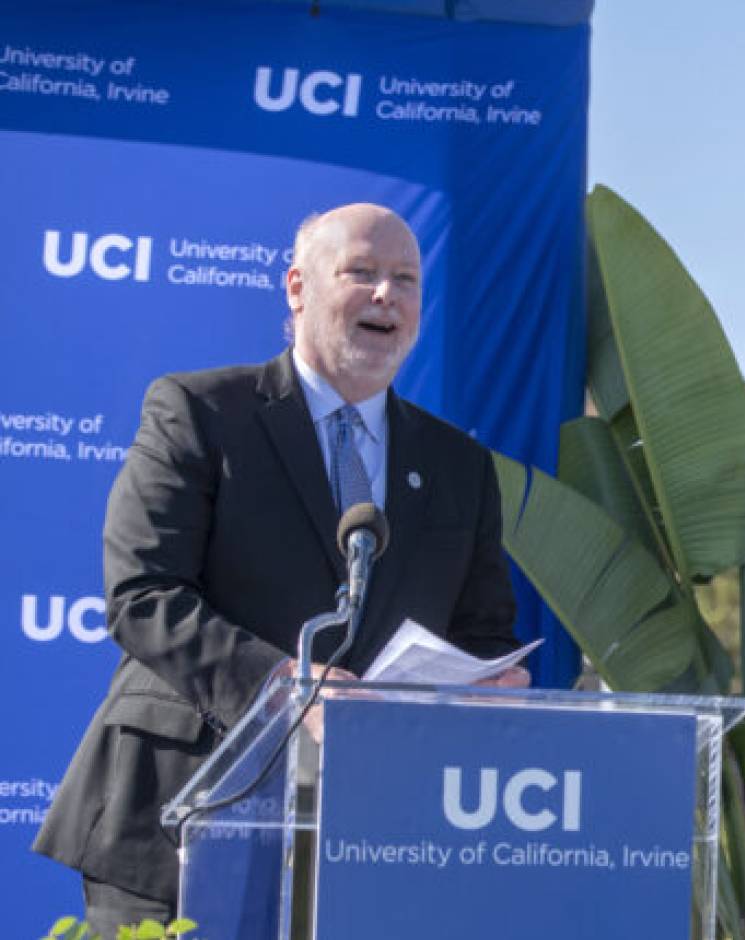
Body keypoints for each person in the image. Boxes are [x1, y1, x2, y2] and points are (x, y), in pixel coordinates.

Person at [34, 203, 530, 936]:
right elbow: (143, 593)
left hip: (368, 840)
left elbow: (482, 631)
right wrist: (286, 690)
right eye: (360, 272)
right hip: (179, 816)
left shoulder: (458, 465)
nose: (386, 295)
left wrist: (488, 685)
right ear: (298, 288)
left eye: (405, 279)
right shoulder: (201, 412)